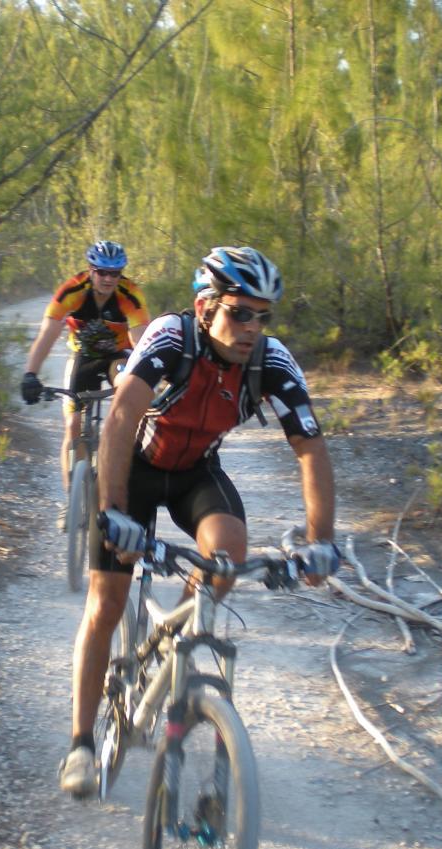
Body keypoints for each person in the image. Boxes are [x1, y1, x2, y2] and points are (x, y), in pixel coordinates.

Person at [58, 245, 341, 797]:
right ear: (205, 306)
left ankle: (174, 639)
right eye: (240, 312)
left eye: (264, 316)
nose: (252, 328)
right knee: (107, 602)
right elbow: (119, 419)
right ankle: (81, 743)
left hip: (193, 473)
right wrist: (114, 512)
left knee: (228, 554)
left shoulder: (272, 362)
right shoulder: (170, 337)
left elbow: (311, 448)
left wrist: (320, 542)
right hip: (132, 469)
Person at [20, 241, 151, 519]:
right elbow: (48, 332)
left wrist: (147, 381)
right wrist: (30, 373)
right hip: (84, 357)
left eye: (115, 274)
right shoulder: (72, 291)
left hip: (119, 356)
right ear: (91, 271)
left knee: (128, 396)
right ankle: (73, 501)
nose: (108, 279)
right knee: (73, 424)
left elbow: (142, 342)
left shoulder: (130, 294)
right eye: (102, 272)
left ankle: (125, 475)